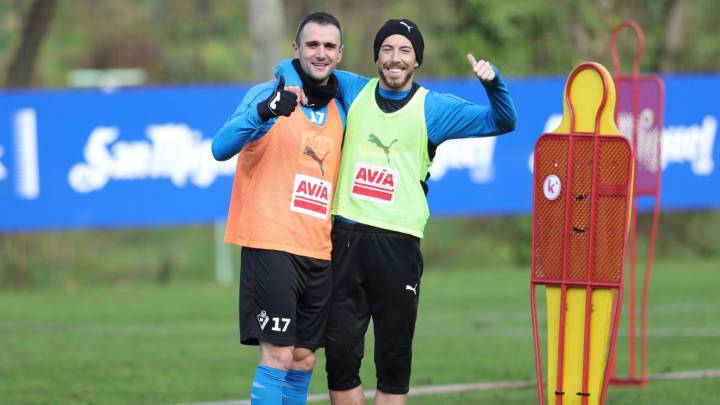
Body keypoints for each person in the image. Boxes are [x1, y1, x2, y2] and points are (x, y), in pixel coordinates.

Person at [275, 18, 516, 405]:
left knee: (393, 364)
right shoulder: (354, 90)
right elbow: (301, 66)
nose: (395, 58)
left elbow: (503, 120)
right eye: (387, 49)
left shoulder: (432, 107)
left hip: (399, 247)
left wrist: (493, 84)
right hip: (345, 241)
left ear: (416, 60)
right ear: (376, 57)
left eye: (405, 51)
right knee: (340, 359)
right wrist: (287, 78)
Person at [211, 12, 346, 405]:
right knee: (278, 354)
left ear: (340, 54)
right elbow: (220, 147)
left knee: (304, 360)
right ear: (296, 50)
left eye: (328, 46)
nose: (320, 53)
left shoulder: (342, 107)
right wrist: (266, 111)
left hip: (318, 250)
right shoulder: (266, 93)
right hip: (271, 243)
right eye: (312, 45)